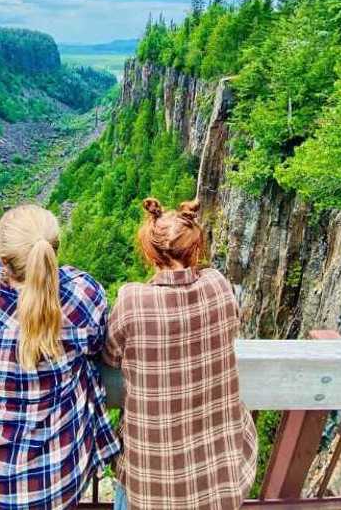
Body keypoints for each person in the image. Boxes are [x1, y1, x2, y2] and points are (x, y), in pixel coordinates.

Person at [0, 204, 118, 510]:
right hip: (57, 476)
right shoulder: (83, 297)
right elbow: (96, 345)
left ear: (3, 261)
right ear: (54, 251)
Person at [105, 198, 257, 510]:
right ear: (194, 247)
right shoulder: (218, 285)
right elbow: (233, 323)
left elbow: (110, 356)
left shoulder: (133, 300)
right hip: (218, 472)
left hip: (151, 475)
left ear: (151, 252)